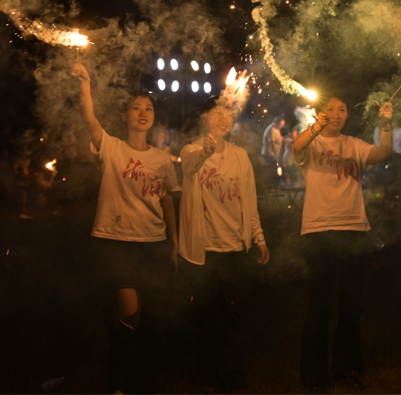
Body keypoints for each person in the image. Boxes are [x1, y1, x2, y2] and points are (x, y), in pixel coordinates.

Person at [72, 63, 179, 395]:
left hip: (153, 242)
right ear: (126, 116)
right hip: (115, 240)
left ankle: (138, 382)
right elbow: (90, 120)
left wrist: (175, 244)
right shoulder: (113, 147)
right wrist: (86, 84)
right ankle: (120, 385)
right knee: (129, 313)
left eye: (148, 108)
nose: (142, 112)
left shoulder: (162, 160)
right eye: (136, 107)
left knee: (151, 323)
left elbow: (166, 203)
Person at [293, 94, 393, 392]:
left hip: (352, 228)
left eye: (342, 109)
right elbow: (297, 147)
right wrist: (314, 128)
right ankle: (313, 375)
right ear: (320, 113)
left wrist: (386, 125)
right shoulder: (310, 144)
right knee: (319, 306)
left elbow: (382, 154)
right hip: (319, 229)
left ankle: (346, 369)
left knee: (350, 305)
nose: (336, 115)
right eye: (330, 110)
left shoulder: (352, 144)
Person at [178, 102, 269, 393]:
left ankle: (233, 374)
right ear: (204, 119)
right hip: (203, 248)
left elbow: (249, 201)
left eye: (227, 115)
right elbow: (191, 169)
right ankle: (204, 373)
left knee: (232, 314)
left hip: (233, 246)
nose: (223, 119)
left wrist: (259, 237)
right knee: (204, 314)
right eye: (216, 114)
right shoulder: (190, 150)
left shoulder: (240, 157)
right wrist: (206, 151)